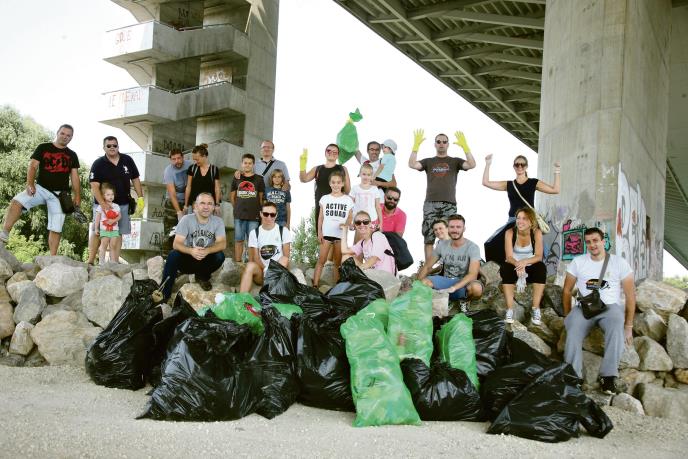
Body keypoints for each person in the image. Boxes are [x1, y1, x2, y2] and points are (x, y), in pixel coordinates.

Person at [562, 227, 635, 395]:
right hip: (585, 308)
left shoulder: (619, 263)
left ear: (603, 241)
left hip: (609, 308)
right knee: (572, 328)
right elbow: (566, 290)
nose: (592, 245)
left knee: (616, 325)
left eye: (595, 240)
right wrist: (567, 315)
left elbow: (630, 295)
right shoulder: (578, 262)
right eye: (588, 242)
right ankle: (574, 377)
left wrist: (629, 326)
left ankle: (608, 377)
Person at [0, 124, 81, 255]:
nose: (65, 137)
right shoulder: (43, 147)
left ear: (71, 137)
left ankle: (52, 258)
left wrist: (77, 196)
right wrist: (30, 184)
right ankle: (4, 234)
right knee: (17, 202)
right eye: (63, 133)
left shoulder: (72, 155)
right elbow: (33, 166)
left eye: (68, 135)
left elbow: (75, 177)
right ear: (57, 132)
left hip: (60, 195)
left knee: (56, 227)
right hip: (40, 188)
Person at [408, 129, 476, 261]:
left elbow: (472, 164)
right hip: (430, 203)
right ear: (435, 144)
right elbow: (412, 164)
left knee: (449, 235)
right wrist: (415, 147)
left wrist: (465, 147)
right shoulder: (428, 161)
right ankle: (428, 267)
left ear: (448, 144)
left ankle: (448, 264)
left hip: (449, 203)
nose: (441, 144)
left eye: (444, 142)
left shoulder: (455, 161)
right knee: (429, 236)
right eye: (438, 142)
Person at [482, 154, 560, 262]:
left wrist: (557, 170)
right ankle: (498, 269)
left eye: (522, 164)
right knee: (491, 244)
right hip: (513, 221)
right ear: (514, 166)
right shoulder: (509, 184)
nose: (520, 166)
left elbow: (555, 190)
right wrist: (488, 164)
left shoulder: (533, 182)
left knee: (537, 247)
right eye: (517, 164)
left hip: (529, 221)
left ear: (526, 166)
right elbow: (486, 182)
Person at [87, 136, 143, 265]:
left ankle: (114, 262)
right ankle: (90, 260)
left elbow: (135, 179)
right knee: (97, 231)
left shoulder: (127, 160)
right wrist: (103, 205)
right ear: (104, 147)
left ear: (118, 146)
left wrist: (140, 197)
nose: (112, 148)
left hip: (122, 203)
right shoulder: (98, 163)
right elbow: (94, 186)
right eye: (109, 146)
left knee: (118, 233)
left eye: (114, 145)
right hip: (102, 204)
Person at [160, 192, 226, 300]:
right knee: (173, 255)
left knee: (220, 256)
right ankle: (163, 294)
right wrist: (191, 251)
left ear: (214, 207)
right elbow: (176, 244)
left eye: (210, 204)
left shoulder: (218, 222)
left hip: (205, 259)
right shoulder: (186, 219)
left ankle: (202, 276)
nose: (206, 207)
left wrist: (207, 250)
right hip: (188, 259)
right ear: (196, 206)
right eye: (202, 203)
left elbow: (222, 243)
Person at [417, 214, 483, 313]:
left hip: (463, 283)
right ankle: (444, 301)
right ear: (448, 229)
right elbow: (427, 266)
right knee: (424, 283)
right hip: (447, 281)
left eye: (458, 227)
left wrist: (453, 288)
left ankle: (464, 301)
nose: (455, 230)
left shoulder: (473, 247)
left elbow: (473, 274)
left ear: (464, 229)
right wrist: (416, 286)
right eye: (452, 227)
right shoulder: (441, 245)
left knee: (476, 289)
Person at [500, 208, 547, 325]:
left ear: (531, 222)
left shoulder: (536, 232)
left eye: (524, 219)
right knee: (505, 268)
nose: (520, 221)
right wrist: (519, 265)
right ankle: (510, 310)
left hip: (530, 266)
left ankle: (535, 309)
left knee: (541, 267)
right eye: (518, 218)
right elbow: (509, 257)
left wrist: (525, 262)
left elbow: (538, 256)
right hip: (515, 266)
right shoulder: (510, 232)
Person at [239, 201, 293, 292]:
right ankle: (241, 298)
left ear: (276, 215)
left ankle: (273, 291)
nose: (269, 217)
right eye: (266, 214)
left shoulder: (284, 231)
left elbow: (286, 257)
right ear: (261, 214)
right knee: (250, 265)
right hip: (262, 273)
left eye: (272, 215)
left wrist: (272, 272)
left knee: (284, 259)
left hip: (278, 273)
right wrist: (266, 270)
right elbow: (255, 258)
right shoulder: (254, 233)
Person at [314, 170, 353, 287]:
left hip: (340, 235)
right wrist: (319, 232)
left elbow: (350, 216)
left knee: (337, 263)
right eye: (333, 182)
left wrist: (346, 225)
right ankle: (315, 285)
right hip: (326, 233)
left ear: (343, 184)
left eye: (338, 182)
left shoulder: (348, 200)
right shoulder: (325, 198)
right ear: (330, 183)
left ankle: (336, 287)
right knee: (321, 260)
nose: (336, 185)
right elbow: (320, 217)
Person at [299, 144, 351, 221]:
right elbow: (304, 179)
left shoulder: (342, 169)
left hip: (338, 208)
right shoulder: (317, 169)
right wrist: (302, 165)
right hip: (321, 208)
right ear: (325, 153)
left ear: (338, 155)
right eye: (329, 151)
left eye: (335, 152)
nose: (331, 153)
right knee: (321, 228)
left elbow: (347, 190)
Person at [229, 153, 265, 262]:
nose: (247, 165)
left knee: (252, 242)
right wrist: (236, 208)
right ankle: (238, 263)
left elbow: (261, 199)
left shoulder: (259, 179)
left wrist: (260, 212)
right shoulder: (237, 177)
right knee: (239, 239)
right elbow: (232, 196)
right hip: (239, 215)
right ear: (242, 164)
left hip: (254, 216)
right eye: (245, 163)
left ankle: (251, 264)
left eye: (250, 163)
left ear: (253, 164)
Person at [340, 210, 395, 275]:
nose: (362, 225)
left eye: (365, 222)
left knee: (353, 268)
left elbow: (373, 259)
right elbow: (344, 251)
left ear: (370, 224)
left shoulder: (377, 236)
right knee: (346, 257)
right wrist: (344, 230)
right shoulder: (362, 243)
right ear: (355, 226)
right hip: (373, 275)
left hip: (385, 276)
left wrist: (356, 273)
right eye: (358, 222)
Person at [162, 148, 193, 253]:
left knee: (187, 232)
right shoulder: (168, 171)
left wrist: (187, 205)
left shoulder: (190, 165)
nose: (177, 161)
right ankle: (167, 256)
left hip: (188, 202)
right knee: (171, 232)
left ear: (183, 157)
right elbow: (172, 194)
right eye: (174, 159)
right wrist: (179, 212)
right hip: (172, 203)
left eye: (179, 158)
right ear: (170, 160)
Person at [184, 143, 221, 215]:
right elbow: (188, 187)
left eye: (197, 159)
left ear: (204, 156)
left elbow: (217, 188)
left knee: (208, 222)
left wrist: (217, 204)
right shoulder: (192, 168)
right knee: (195, 221)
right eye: (194, 160)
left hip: (209, 204)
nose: (195, 161)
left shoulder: (214, 169)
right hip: (195, 204)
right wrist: (186, 205)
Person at [350, 163, 382, 242]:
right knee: (357, 244)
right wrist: (350, 222)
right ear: (360, 174)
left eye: (368, 175)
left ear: (371, 176)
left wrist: (381, 222)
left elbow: (378, 207)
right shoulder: (355, 188)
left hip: (372, 220)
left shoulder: (375, 189)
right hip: (358, 220)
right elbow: (349, 207)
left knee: (370, 243)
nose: (366, 177)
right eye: (364, 174)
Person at [93, 183, 121, 264]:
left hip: (114, 230)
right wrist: (96, 228)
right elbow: (97, 218)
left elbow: (119, 216)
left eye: (112, 194)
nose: (110, 196)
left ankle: (113, 262)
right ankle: (101, 262)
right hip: (104, 229)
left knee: (113, 246)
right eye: (108, 195)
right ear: (103, 196)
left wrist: (113, 220)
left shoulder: (116, 206)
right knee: (104, 245)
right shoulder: (101, 206)